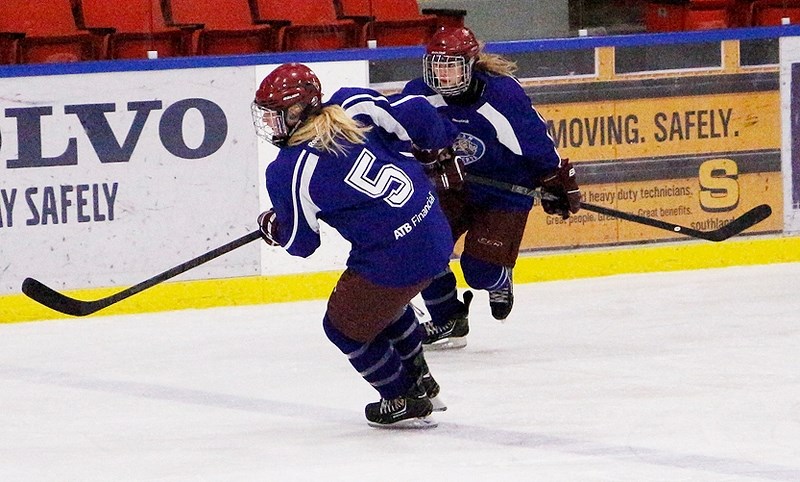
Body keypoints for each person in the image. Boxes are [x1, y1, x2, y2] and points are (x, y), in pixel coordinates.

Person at [251, 63, 461, 428]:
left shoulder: (288, 170)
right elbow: (417, 112)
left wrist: (276, 227)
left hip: (396, 259)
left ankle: (402, 396)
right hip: (435, 230)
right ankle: (421, 379)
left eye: (275, 117)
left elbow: (302, 243)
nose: (269, 126)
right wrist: (434, 150)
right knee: (384, 306)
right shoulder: (353, 103)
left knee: (343, 326)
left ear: (298, 112)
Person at [401, 26, 582, 349]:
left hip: (505, 189)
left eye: (451, 66)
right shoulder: (419, 94)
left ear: (470, 65)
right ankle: (448, 320)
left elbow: (534, 140)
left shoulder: (501, 94)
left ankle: (498, 279)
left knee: (479, 272)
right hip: (453, 187)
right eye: (437, 66)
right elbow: (400, 139)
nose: (442, 76)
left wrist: (554, 180)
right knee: (421, 246)